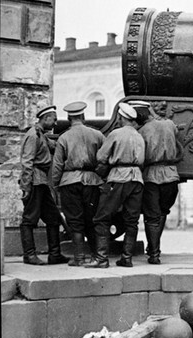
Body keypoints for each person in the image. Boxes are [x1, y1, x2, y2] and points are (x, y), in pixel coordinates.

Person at [84, 103, 145, 268]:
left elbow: (101, 156)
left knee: (101, 217)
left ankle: (101, 259)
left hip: (118, 178)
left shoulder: (116, 134)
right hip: (137, 180)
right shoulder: (139, 136)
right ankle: (126, 258)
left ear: (121, 117)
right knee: (132, 221)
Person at [50, 101, 106, 266]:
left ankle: (79, 258)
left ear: (68, 118)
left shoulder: (64, 137)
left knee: (75, 221)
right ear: (83, 116)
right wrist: (101, 177)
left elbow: (58, 165)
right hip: (92, 182)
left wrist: (55, 185)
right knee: (91, 219)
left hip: (69, 182)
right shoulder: (97, 135)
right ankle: (96, 256)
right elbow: (105, 159)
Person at [132, 100, 184, 264]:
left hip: (151, 176)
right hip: (171, 175)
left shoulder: (141, 131)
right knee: (162, 213)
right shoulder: (169, 124)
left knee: (152, 217)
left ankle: (154, 254)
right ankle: (154, 249)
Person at [18, 105, 69, 265]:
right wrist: (26, 187)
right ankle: (29, 255)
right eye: (53, 120)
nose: (55, 123)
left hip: (42, 182)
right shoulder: (33, 135)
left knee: (53, 217)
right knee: (29, 219)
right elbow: (27, 162)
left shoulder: (42, 135)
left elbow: (54, 147)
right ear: (45, 118)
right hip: (34, 181)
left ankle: (55, 255)